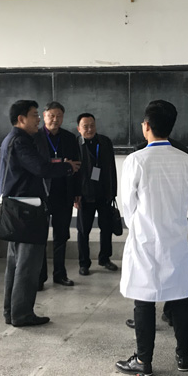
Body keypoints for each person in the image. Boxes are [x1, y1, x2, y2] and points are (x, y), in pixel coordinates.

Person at [115, 100, 188, 376]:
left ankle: (143, 360)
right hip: (175, 238)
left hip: (146, 238)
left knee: (144, 300)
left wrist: (140, 225)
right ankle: (183, 357)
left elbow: (128, 205)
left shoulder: (136, 160)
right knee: (180, 298)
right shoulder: (185, 159)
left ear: (146, 126)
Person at [0, 100, 80, 327]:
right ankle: (22, 314)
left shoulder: (12, 139)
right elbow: (41, 168)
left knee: (15, 264)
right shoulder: (21, 141)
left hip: (18, 207)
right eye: (35, 115)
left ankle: (11, 311)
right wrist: (67, 167)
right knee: (27, 265)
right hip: (26, 210)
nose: (38, 119)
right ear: (21, 119)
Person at [34, 101, 81, 290]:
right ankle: (40, 277)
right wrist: (62, 165)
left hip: (64, 193)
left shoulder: (69, 138)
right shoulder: (35, 137)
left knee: (61, 236)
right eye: (51, 115)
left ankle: (60, 274)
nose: (55, 119)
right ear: (44, 116)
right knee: (40, 236)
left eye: (59, 116)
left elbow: (77, 167)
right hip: (42, 194)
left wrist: (77, 192)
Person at [75, 113, 118, 276]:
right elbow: (72, 174)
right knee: (83, 231)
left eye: (92, 125)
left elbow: (112, 168)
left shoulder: (105, 142)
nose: (89, 129)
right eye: (85, 126)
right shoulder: (75, 144)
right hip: (84, 195)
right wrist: (74, 195)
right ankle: (84, 263)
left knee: (106, 228)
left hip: (104, 193)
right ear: (79, 129)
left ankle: (105, 258)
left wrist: (113, 192)